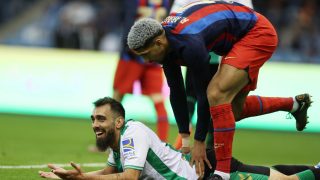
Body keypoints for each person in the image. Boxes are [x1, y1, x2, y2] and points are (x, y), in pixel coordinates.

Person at [126, 1, 312, 179]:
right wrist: (184, 138)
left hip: (257, 33)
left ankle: (222, 173)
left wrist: (199, 142)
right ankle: (295, 104)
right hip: (239, 39)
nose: (147, 61)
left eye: (146, 54)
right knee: (232, 111)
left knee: (216, 93)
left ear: (158, 43)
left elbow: (203, 94)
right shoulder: (166, 43)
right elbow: (176, 91)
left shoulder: (189, 43)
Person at [38, 97, 320, 180]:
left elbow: (128, 179)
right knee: (271, 175)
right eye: (92, 120)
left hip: (206, 175)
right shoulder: (118, 143)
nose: (95, 125)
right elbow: (112, 172)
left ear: (118, 121)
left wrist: (82, 179)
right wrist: (74, 176)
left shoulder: (132, 134)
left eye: (100, 119)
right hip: (201, 168)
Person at [170, 0, 254, 151]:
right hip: (195, 47)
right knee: (200, 96)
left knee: (211, 98)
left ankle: (206, 146)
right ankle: (188, 143)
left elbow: (248, 17)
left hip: (219, 53)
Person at [112, 0, 171, 142]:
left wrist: (127, 46)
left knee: (117, 97)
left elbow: (125, 18)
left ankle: (109, 142)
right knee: (158, 99)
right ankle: (162, 143)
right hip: (154, 54)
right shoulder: (166, 3)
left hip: (132, 55)